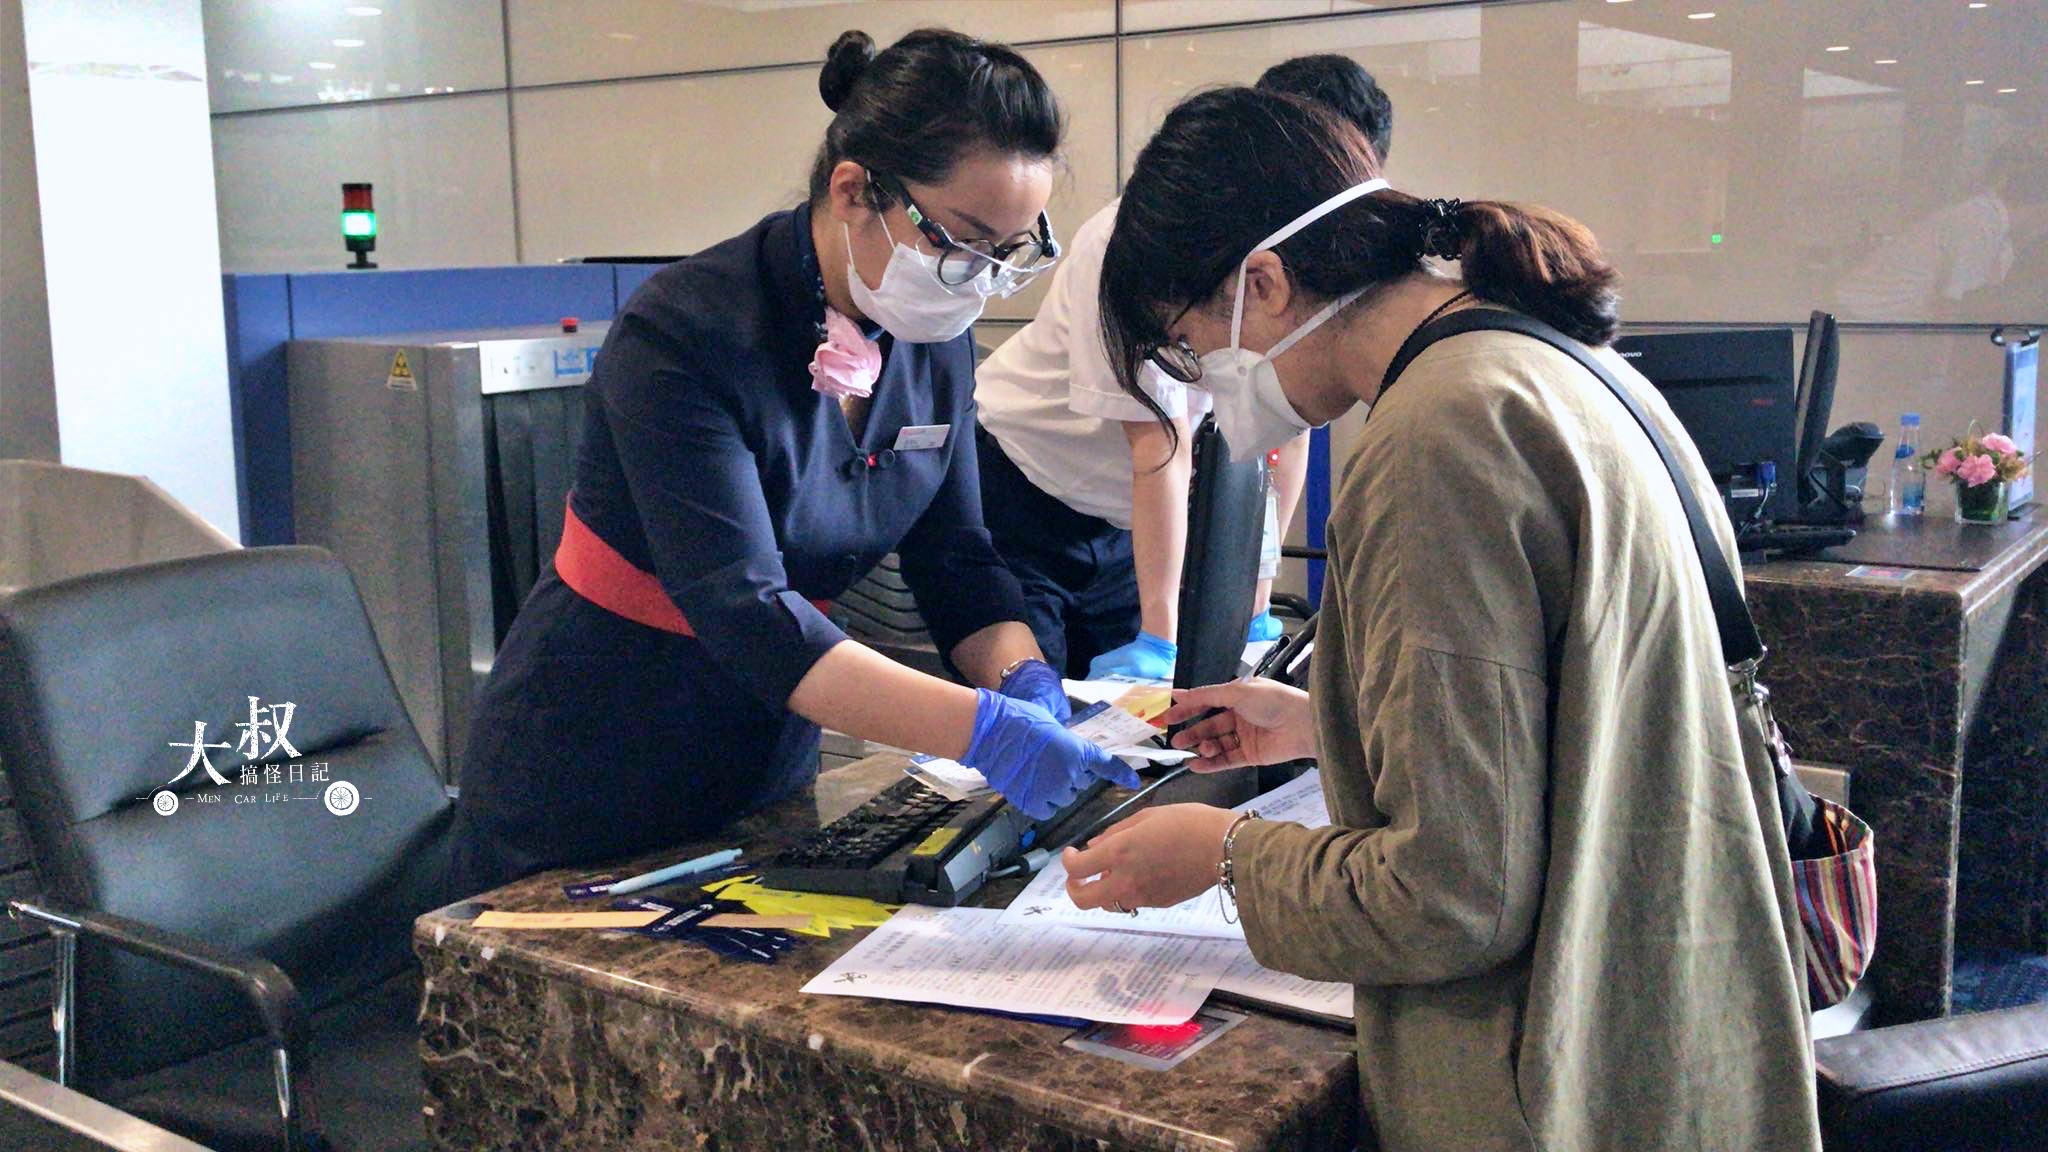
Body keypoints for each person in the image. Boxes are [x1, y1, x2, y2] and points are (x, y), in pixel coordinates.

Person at [1063, 87, 1821, 1151]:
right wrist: (1328, 721)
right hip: (1672, 1007)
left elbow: (1451, 896)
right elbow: (1576, 707)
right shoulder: (1553, 359)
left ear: (1265, 283)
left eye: (1190, 350)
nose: (1202, 391)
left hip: (1554, 1074)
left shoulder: (1437, 435)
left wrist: (1224, 855)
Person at [450, 29, 1136, 895]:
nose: (981, 282)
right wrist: (983, 730)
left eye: (1009, 254)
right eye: (964, 244)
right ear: (855, 190)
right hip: (597, 749)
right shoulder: (684, 330)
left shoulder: (932, 340)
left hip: (769, 748)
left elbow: (957, 558)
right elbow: (746, 608)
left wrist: (1023, 677)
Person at [972, 55, 1394, 681]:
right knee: (1034, 703)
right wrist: (1162, 636)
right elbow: (1159, 447)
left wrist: (1253, 606)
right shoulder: (1142, 243)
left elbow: (1288, 428)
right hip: (1022, 491)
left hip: (1128, 518)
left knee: (1129, 729)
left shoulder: (1303, 259)